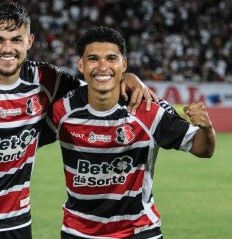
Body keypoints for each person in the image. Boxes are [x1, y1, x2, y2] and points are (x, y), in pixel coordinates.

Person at [0, 3, 157, 239]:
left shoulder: (46, 79)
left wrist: (128, 77)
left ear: (29, 41)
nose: (7, 48)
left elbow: (98, 89)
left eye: (16, 40)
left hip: (16, 220)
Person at [51, 26, 216, 239]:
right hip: (79, 232)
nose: (102, 66)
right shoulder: (62, 110)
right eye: (93, 58)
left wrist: (206, 127)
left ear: (124, 64)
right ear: (81, 64)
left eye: (111, 58)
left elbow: (203, 149)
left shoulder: (148, 109)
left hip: (139, 232)